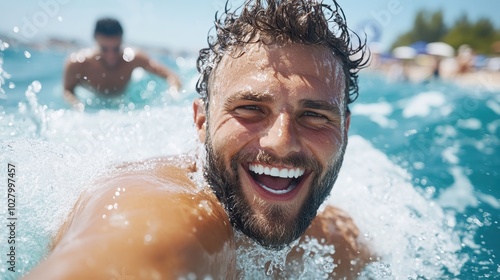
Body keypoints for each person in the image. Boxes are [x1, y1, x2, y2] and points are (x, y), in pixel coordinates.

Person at [25, 0, 369, 278]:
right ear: (201, 120)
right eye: (250, 108)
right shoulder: (174, 213)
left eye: (314, 115)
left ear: (346, 130)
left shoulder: (340, 243)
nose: (281, 142)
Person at [63, 18, 182, 111]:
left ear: (122, 41)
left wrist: (173, 93)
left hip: (122, 100)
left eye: (116, 48)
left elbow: (171, 75)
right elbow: (67, 90)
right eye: (104, 49)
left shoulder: (133, 58)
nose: (111, 55)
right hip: (92, 98)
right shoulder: (77, 63)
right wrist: (77, 105)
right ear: (95, 40)